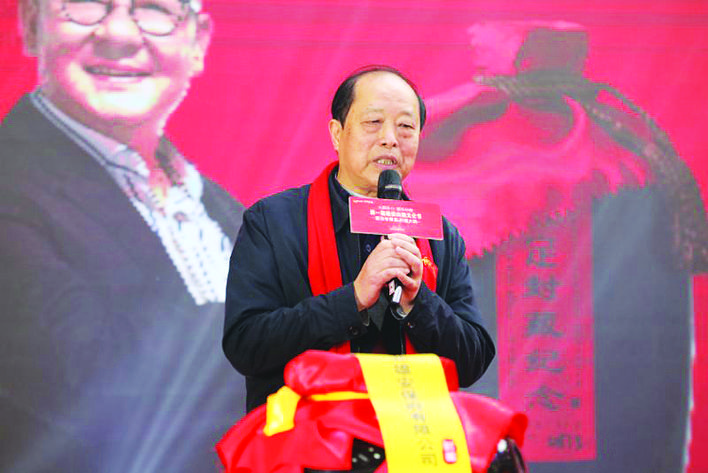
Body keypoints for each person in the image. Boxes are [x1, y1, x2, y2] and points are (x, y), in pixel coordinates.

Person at [0, 0, 244, 471]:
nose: (119, 34)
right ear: (31, 25)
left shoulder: (218, 204)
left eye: (153, 9)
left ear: (197, 42)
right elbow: (96, 381)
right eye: (85, 5)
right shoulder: (10, 186)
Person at [223, 66, 495, 412]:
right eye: (373, 122)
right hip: (307, 437)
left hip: (409, 436)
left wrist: (418, 302)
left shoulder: (440, 236)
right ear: (337, 134)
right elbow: (246, 344)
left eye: (406, 127)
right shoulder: (274, 222)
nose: (390, 139)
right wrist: (352, 299)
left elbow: (472, 360)